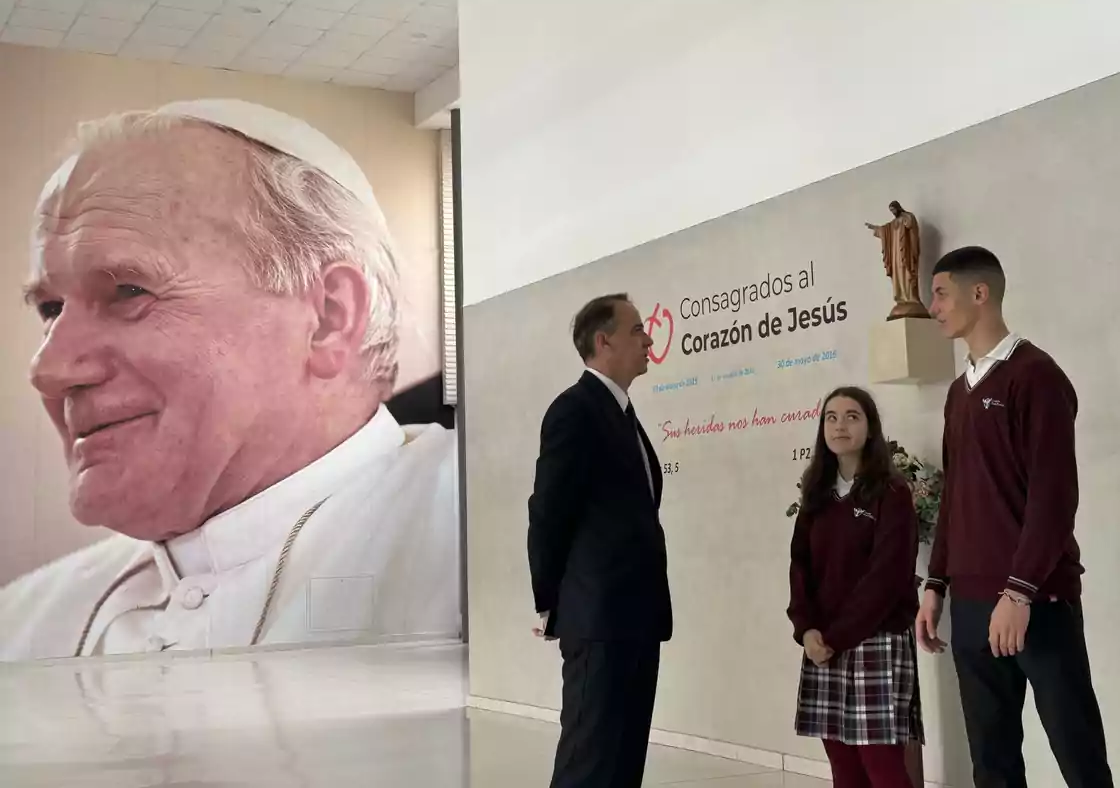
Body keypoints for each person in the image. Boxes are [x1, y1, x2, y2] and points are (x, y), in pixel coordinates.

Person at [0, 99, 459, 661]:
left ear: (328, 317)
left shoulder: (487, 535)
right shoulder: (21, 624)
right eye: (50, 309)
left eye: (128, 291)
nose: (49, 370)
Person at [918, 246, 1113, 788]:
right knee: (992, 761)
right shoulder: (959, 393)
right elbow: (955, 495)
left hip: (1037, 601)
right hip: (973, 603)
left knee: (1079, 754)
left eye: (940, 293)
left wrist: (1020, 591)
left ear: (979, 294)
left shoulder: (1037, 376)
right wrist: (936, 583)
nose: (931, 306)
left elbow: (1054, 498)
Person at [527, 293, 672, 788]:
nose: (648, 339)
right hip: (599, 619)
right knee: (588, 762)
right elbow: (547, 511)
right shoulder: (574, 410)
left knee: (624, 761)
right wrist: (550, 601)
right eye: (637, 330)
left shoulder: (623, 413)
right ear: (603, 341)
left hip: (636, 617)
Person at [788, 386, 923, 788]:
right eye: (831, 417)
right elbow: (800, 567)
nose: (839, 425)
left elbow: (888, 577)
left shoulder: (892, 493)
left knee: (881, 763)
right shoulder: (816, 495)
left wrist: (836, 636)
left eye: (851, 416)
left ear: (870, 427)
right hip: (823, 643)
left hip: (874, 640)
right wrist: (807, 629)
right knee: (842, 763)